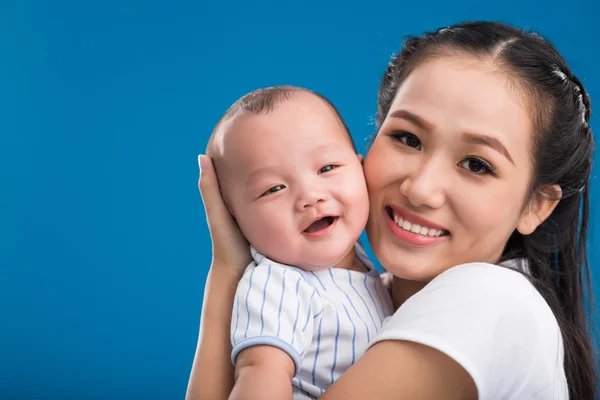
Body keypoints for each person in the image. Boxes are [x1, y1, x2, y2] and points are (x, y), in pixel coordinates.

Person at [187, 21, 598, 400]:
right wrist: (230, 266)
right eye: (407, 138)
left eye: (477, 164)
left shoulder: (488, 299)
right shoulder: (367, 296)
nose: (420, 189)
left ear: (535, 205)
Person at [205, 86, 393, 400]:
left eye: (327, 168)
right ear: (236, 222)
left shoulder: (367, 272)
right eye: (273, 188)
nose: (309, 196)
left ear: (362, 169)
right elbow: (261, 375)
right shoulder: (278, 285)